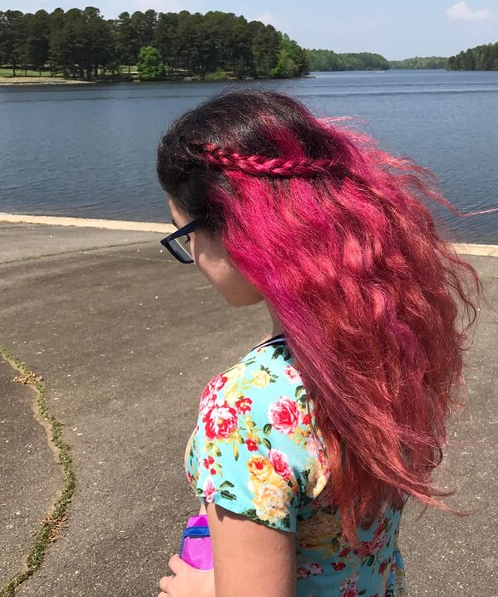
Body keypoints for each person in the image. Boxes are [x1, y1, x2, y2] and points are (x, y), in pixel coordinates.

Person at [155, 89, 481, 597]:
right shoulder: (386, 340)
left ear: (242, 229)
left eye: (186, 234)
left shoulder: (245, 406)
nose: (192, 253)